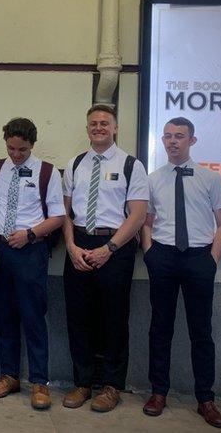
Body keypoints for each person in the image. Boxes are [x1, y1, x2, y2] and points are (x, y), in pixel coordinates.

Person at [141, 117, 221, 429]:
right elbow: (147, 221)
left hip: (198, 258)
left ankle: (205, 398)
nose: (172, 141)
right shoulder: (152, 179)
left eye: (179, 136)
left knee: (201, 332)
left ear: (192, 140)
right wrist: (150, 254)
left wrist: (211, 260)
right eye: (167, 136)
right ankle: (157, 393)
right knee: (160, 327)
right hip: (163, 256)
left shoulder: (210, 178)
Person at [61, 104, 148, 412]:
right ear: (87, 129)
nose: (98, 127)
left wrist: (109, 249)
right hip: (80, 244)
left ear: (115, 128)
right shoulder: (75, 164)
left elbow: (137, 215)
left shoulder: (131, 165)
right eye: (93, 123)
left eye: (104, 123)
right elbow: (67, 213)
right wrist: (71, 246)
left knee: (113, 318)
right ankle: (83, 383)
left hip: (116, 247)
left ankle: (111, 386)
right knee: (78, 318)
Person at [0, 117, 64, 410]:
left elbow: (57, 216)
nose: (16, 155)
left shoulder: (47, 172)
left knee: (33, 317)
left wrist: (29, 234)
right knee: (3, 316)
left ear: (32, 144)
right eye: (11, 149)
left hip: (30, 252)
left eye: (22, 149)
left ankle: (39, 382)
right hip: (0, 250)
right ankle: (9, 376)